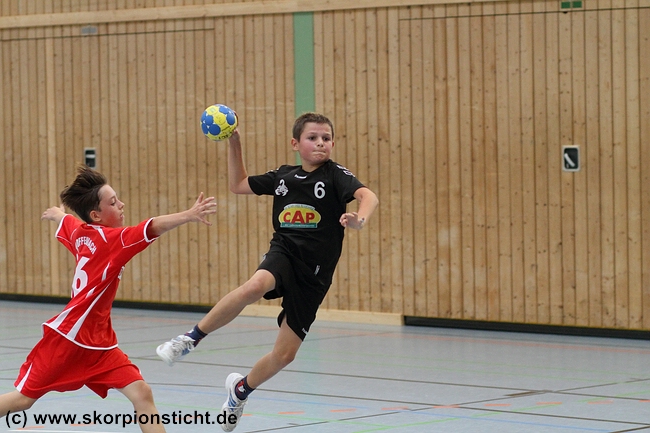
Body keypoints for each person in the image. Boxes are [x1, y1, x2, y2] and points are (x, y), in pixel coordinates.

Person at [156, 112, 379, 431]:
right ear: (295, 144)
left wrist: (360, 219)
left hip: (315, 275)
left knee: (285, 355)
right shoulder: (284, 177)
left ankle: (240, 391)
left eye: (326, 138)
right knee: (255, 286)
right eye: (312, 137)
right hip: (284, 252)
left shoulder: (335, 176)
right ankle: (189, 339)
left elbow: (368, 196)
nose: (320, 143)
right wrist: (235, 143)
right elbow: (238, 185)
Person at [0, 165, 217, 433]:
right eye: (113, 203)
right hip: (69, 339)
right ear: (96, 215)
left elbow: (69, 223)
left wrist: (58, 214)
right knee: (23, 400)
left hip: (99, 343)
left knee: (141, 392)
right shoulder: (114, 240)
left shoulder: (81, 233)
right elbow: (151, 227)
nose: (121, 204)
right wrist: (188, 215)